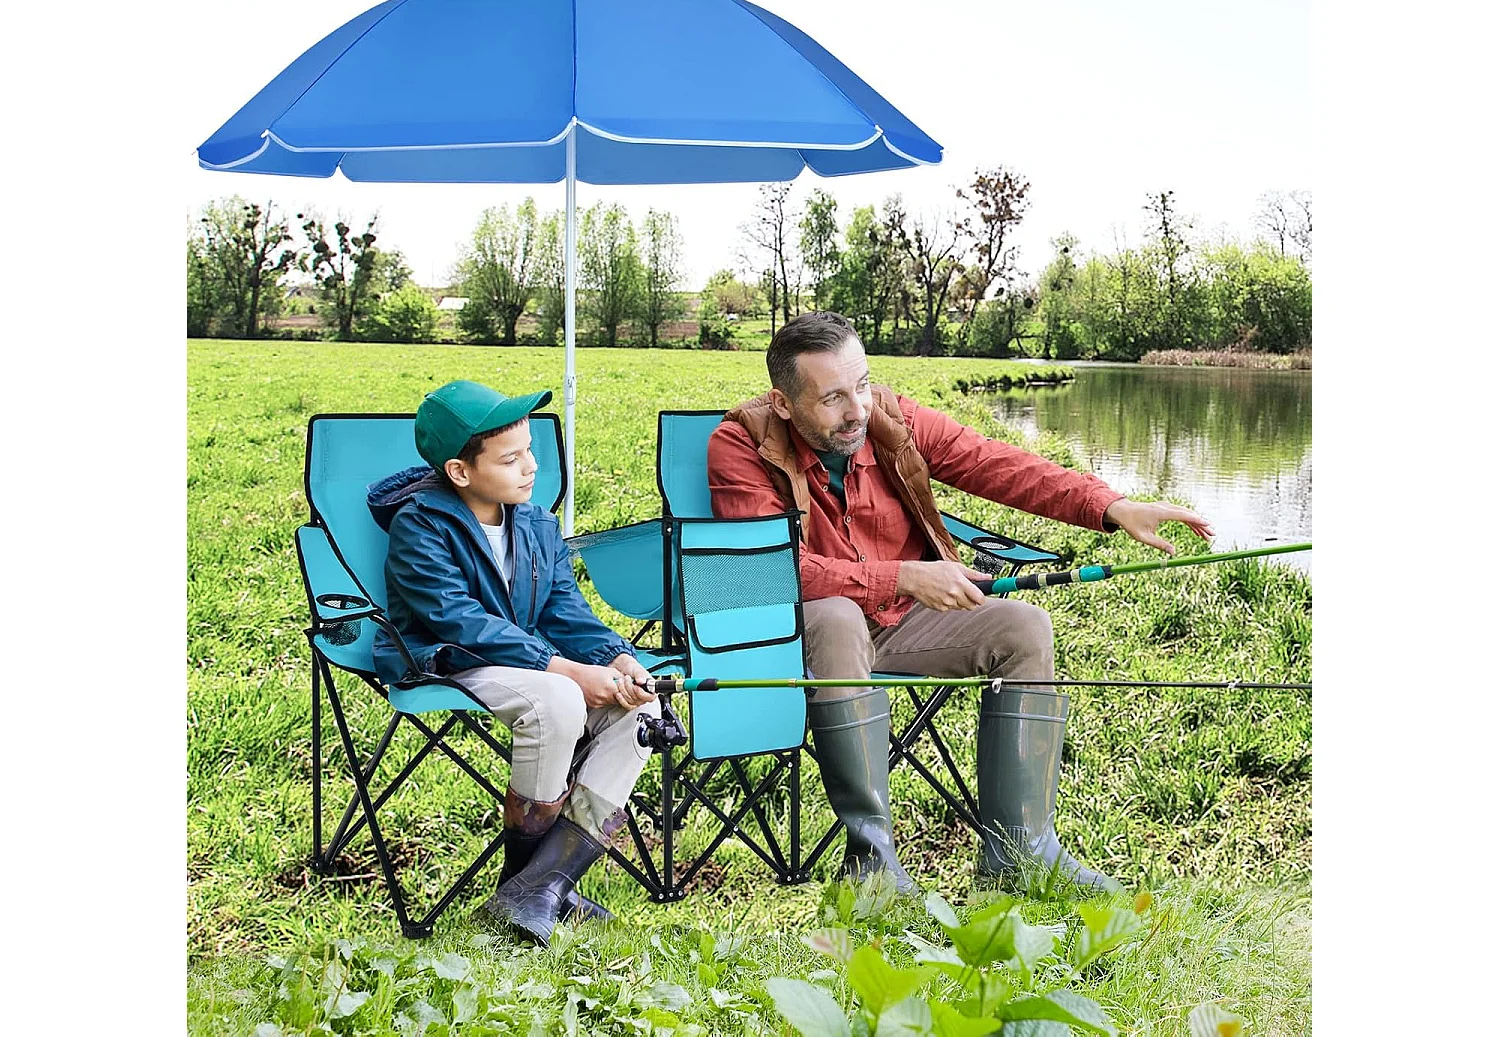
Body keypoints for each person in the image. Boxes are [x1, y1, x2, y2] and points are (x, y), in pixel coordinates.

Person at [707, 312, 1212, 893]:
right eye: (833, 398)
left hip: (898, 623)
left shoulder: (891, 420)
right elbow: (765, 574)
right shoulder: (740, 444)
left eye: (863, 385)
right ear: (784, 403)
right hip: (800, 631)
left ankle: (1021, 855)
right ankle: (873, 869)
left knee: (1023, 628)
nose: (857, 410)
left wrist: (1110, 506)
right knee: (839, 616)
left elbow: (993, 462)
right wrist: (904, 576)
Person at [366, 379, 659, 946]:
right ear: (459, 471)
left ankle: (539, 887)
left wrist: (619, 659)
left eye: (529, 450)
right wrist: (567, 670)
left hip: (527, 661)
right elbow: (457, 620)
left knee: (643, 714)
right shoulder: (419, 524)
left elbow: (564, 611)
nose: (531, 466)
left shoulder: (536, 524)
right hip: (448, 659)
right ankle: (533, 888)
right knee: (558, 699)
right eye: (510, 459)